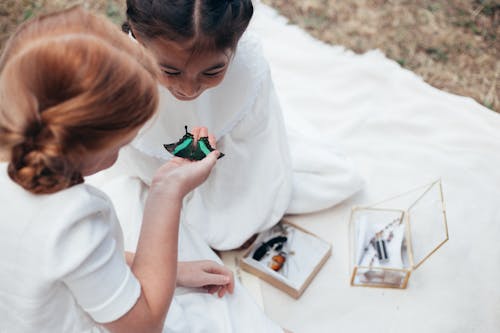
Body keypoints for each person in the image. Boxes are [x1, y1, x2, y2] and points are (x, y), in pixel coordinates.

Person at [0, 7, 284, 333]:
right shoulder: (75, 219)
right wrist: (166, 193)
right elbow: (144, 325)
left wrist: (172, 270)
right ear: (92, 146)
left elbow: (64, 261)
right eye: (125, 140)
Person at [92, 0, 362, 253]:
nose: (188, 89)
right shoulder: (119, 78)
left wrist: (234, 207)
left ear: (236, 44)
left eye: (211, 72)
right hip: (153, 171)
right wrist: (169, 181)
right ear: (138, 37)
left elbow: (256, 146)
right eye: (171, 71)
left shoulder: (247, 69)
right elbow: (127, 151)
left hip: (227, 163)